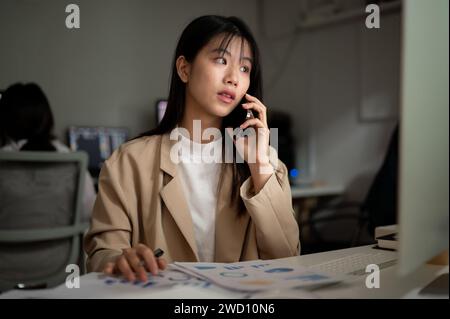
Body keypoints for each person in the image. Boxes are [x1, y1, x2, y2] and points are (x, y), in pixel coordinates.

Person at [84, 15, 300, 282]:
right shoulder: (128, 161)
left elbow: (289, 259)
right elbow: (101, 255)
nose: (234, 78)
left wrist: (259, 167)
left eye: (245, 68)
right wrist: (118, 261)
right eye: (221, 61)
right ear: (184, 69)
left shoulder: (264, 160)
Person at [0, 82, 97, 223]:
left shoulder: (3, 159)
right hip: (61, 246)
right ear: (47, 118)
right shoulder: (73, 161)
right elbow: (89, 214)